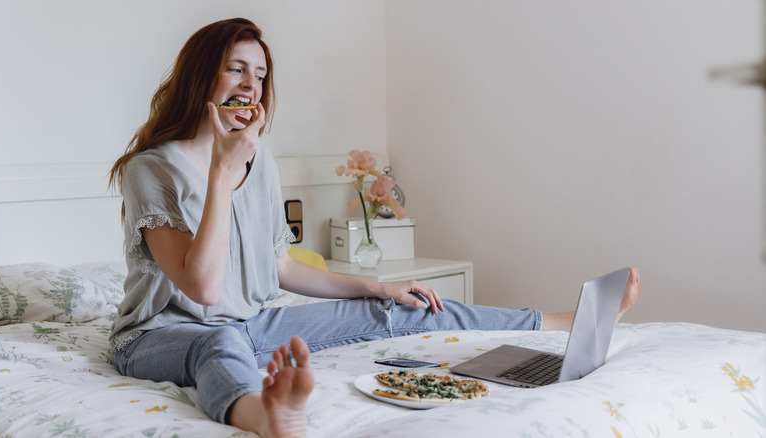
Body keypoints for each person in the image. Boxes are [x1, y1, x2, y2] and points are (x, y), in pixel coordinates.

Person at [108, 18, 641, 438]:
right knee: (218, 341)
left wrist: (378, 287)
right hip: (160, 335)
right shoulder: (150, 169)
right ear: (203, 76)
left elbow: (278, 266)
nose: (252, 87)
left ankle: (563, 321)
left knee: (404, 306)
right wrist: (222, 173)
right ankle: (262, 417)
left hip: (253, 324)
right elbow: (199, 286)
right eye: (236, 70)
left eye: (262, 75)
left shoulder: (258, 159)